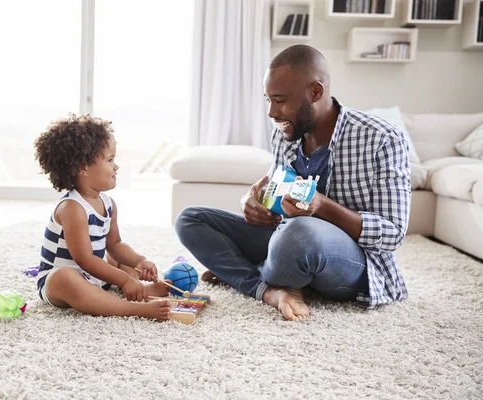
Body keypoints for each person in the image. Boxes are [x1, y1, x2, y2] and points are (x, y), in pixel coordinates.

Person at [175, 45, 411, 321]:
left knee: (298, 234)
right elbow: (276, 206)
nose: (272, 113)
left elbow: (393, 232)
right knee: (190, 219)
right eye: (269, 101)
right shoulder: (286, 133)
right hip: (285, 239)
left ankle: (244, 271)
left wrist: (322, 206)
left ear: (315, 92)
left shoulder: (381, 138)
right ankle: (270, 288)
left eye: (280, 100)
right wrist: (252, 204)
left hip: (350, 261)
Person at [33, 114, 171, 321]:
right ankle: (131, 308)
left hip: (93, 276)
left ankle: (141, 289)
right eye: (109, 160)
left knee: (116, 260)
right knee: (64, 277)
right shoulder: (72, 208)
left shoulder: (108, 204)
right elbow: (85, 259)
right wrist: (124, 281)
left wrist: (139, 262)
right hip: (62, 283)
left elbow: (114, 244)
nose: (116, 166)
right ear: (83, 168)